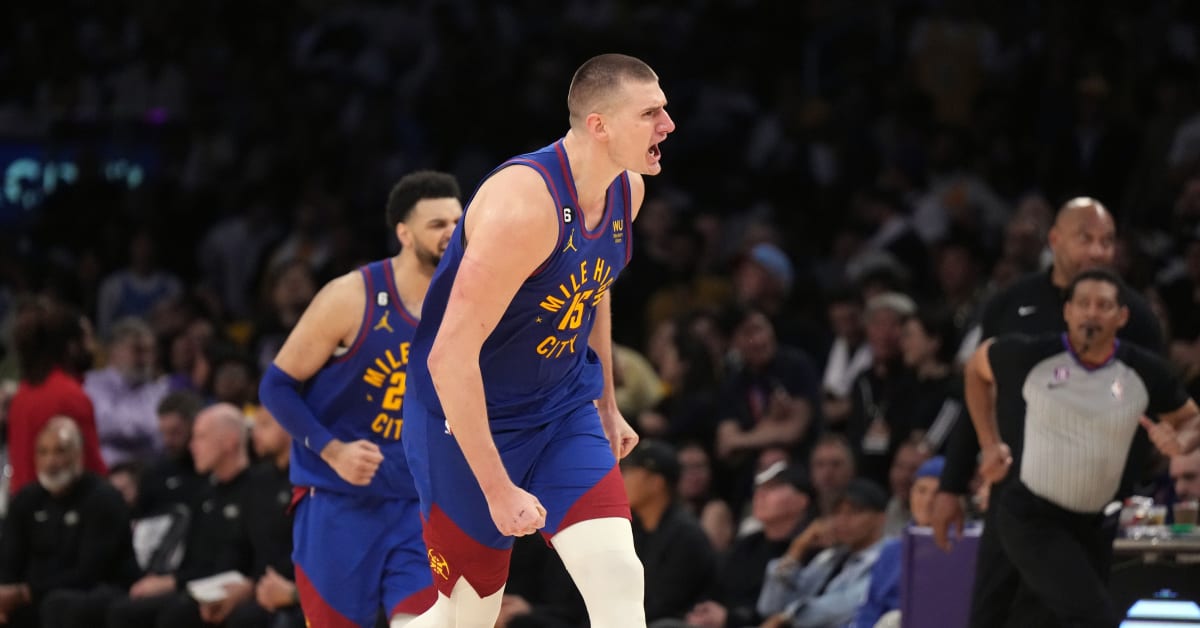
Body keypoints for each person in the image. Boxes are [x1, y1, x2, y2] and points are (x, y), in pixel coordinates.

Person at [401, 53, 674, 628]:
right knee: (468, 617)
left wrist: (604, 402)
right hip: (466, 420)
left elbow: (594, 284)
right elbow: (448, 356)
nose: (667, 126)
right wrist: (498, 490)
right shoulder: (522, 208)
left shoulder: (628, 189)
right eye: (651, 113)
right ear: (599, 125)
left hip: (561, 408)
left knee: (620, 577)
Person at [933, 197, 1166, 628]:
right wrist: (952, 483)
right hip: (1013, 495)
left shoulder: (1136, 320)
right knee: (991, 615)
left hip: (1086, 506)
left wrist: (1126, 485)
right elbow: (978, 389)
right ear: (1055, 240)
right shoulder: (1009, 303)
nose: (1098, 251)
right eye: (1086, 239)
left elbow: (1154, 411)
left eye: (1108, 241)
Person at [258, 170, 463, 627]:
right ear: (404, 233)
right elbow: (276, 386)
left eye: (457, 220)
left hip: (418, 503)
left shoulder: (467, 299)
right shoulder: (352, 296)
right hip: (338, 504)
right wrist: (333, 450)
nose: (452, 232)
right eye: (437, 224)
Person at [960, 269, 1200, 626]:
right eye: (1083, 304)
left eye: (1103, 305)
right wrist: (989, 443)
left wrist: (1180, 441)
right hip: (1032, 517)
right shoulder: (1031, 357)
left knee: (1040, 619)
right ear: (1067, 311)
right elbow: (977, 368)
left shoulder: (1143, 371)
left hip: (1095, 524)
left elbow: (1190, 417)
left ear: (1121, 317)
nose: (1092, 313)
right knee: (1093, 617)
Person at [3, 417, 138, 628]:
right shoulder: (25, 499)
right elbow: (8, 561)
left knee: (58, 604)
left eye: (60, 451)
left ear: (78, 455)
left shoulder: (104, 498)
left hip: (97, 591)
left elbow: (89, 572)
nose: (50, 462)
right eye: (43, 452)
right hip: (33, 595)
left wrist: (25, 593)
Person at [7, 296, 107, 495]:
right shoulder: (67, 395)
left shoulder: (24, 392)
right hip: (60, 512)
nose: (93, 346)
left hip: (26, 509)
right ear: (71, 346)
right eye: (86, 338)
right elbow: (91, 468)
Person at [850, 456, 943, 628]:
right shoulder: (892, 550)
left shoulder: (964, 547)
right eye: (921, 491)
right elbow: (870, 608)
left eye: (937, 493)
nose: (928, 501)